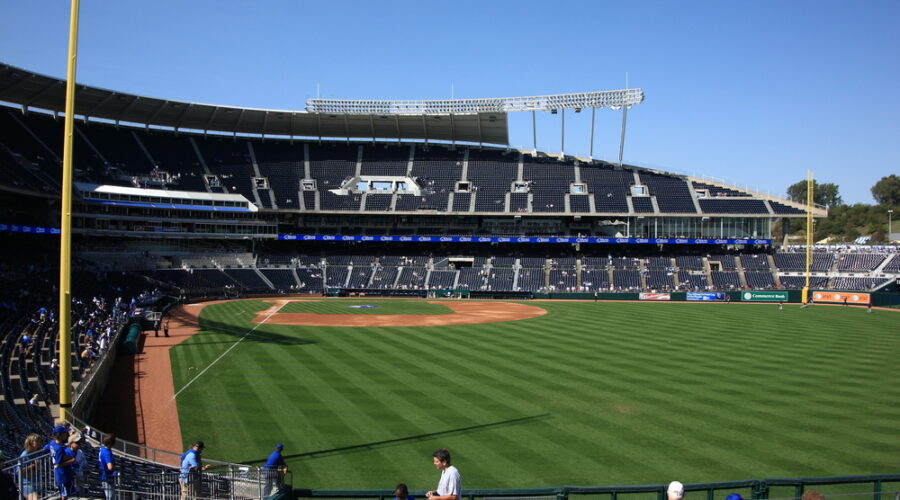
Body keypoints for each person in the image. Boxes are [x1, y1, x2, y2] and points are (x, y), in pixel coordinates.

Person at [46, 425, 75, 500]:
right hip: (62, 475)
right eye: (65, 433)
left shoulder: (52, 443)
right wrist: (72, 460)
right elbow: (58, 465)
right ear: (60, 435)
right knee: (64, 496)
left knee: (63, 494)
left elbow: (45, 448)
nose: (66, 434)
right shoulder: (58, 448)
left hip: (60, 474)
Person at [17, 433, 45, 500]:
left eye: (40, 441)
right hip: (27, 484)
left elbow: (42, 467)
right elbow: (18, 470)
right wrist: (33, 465)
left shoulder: (38, 453)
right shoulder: (24, 454)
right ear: (31, 442)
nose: (39, 443)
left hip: (36, 482)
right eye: (37, 441)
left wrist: (38, 467)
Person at [98, 433, 119, 500]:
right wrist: (118, 468)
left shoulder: (102, 449)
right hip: (107, 477)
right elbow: (110, 467)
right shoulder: (106, 452)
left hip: (106, 477)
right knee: (110, 497)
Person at [68, 432, 87, 496]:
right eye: (77, 442)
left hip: (80, 478)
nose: (79, 444)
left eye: (79, 442)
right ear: (71, 443)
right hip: (70, 479)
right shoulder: (66, 452)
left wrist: (85, 470)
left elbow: (85, 464)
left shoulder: (80, 452)